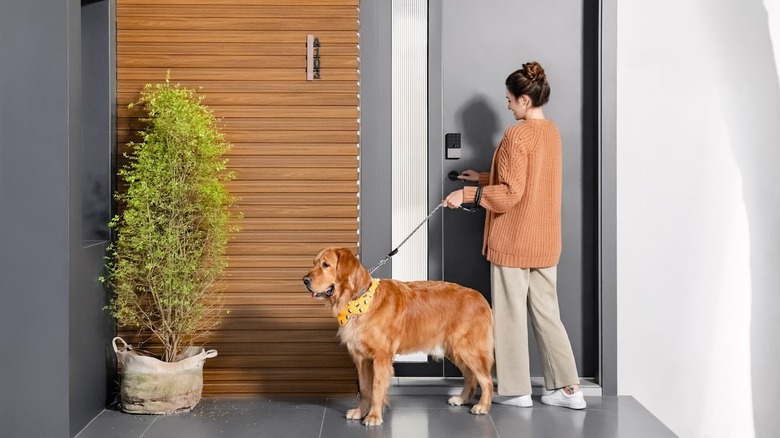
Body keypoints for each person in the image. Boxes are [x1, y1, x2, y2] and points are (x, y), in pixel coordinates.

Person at [442, 61, 585, 410]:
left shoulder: (516, 135)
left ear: (523, 99)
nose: (506, 105)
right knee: (548, 314)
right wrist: (484, 178)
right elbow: (527, 182)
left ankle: (516, 390)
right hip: (545, 241)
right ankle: (569, 390)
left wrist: (467, 196)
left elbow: (511, 194)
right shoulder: (551, 132)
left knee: (508, 316)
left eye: (508, 99)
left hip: (514, 241)